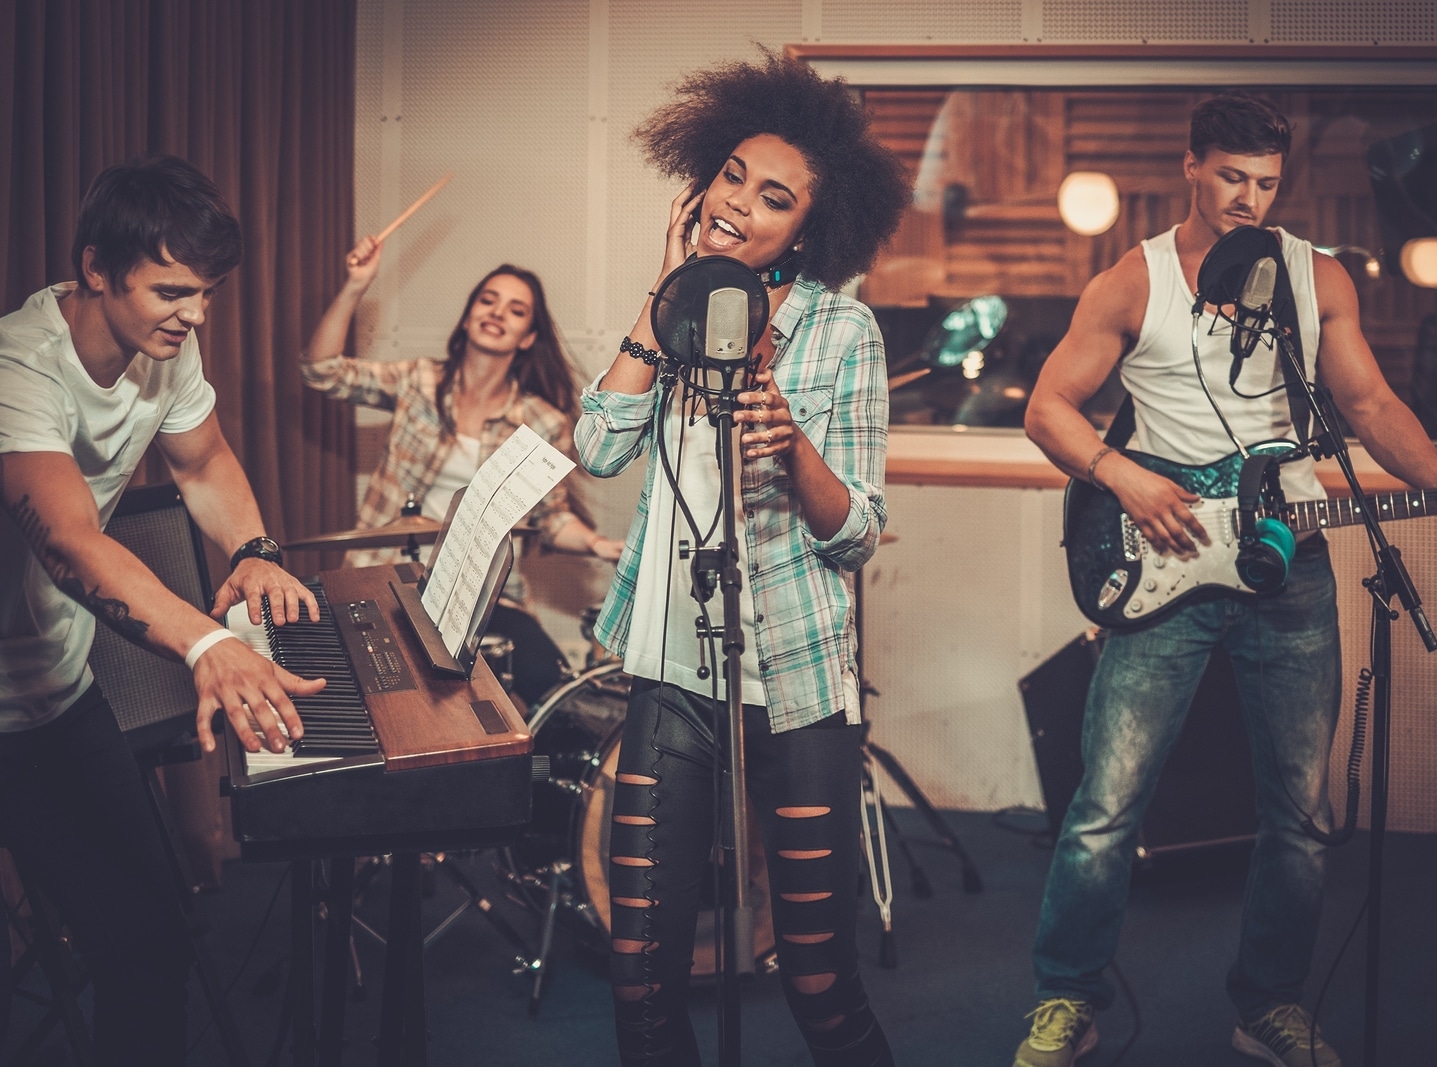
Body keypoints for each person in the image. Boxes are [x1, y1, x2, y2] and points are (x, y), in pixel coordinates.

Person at [1012, 92, 1437, 1067]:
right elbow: (1049, 409)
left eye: (1266, 183)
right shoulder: (1132, 280)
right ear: (1191, 166)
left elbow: (1364, 399)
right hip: (1162, 557)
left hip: (1290, 560)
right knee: (1106, 801)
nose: (1248, 200)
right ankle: (1064, 998)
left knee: (1299, 808)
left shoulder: (1313, 276)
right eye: (1232, 178)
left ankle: (1269, 1002)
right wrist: (1125, 471)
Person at [575, 51, 910, 1066]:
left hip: (798, 680)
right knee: (640, 980)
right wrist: (664, 287)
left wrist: (789, 442)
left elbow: (853, 530)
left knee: (815, 979)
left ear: (806, 228)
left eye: (773, 198)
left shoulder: (840, 330)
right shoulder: (675, 312)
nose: (738, 204)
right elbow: (596, 449)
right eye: (731, 174)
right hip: (672, 670)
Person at [0, 154, 326, 1061]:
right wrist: (207, 643)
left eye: (208, 291)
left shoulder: (164, 349)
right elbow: (67, 542)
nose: (197, 312)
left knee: (151, 941)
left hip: (55, 691)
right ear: (96, 268)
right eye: (174, 290)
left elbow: (203, 461)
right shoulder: (17, 366)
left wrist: (255, 550)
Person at [302, 248, 623, 703]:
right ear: (469, 315)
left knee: (552, 692)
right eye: (488, 300)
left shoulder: (544, 422)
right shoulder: (418, 381)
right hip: (382, 577)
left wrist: (597, 543)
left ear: (528, 337)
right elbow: (321, 370)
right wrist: (356, 284)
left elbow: (549, 519)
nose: (497, 314)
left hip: (478, 599)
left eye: (516, 310)